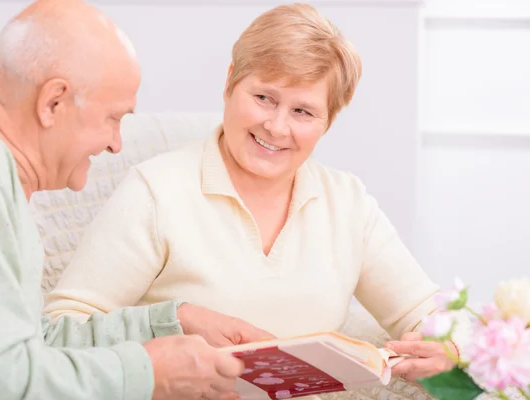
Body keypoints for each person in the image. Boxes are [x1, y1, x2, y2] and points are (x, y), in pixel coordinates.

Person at [44, 2, 468, 385]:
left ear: (329, 120)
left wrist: (452, 351)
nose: (277, 127)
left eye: (302, 111)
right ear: (230, 82)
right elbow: (59, 331)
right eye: (264, 98)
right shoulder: (157, 192)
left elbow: (429, 313)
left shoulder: (348, 204)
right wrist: (172, 325)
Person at [0, 0, 274, 399]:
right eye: (114, 118)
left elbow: (32, 347)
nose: (116, 144)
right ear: (53, 103)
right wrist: (150, 375)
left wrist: (171, 323)